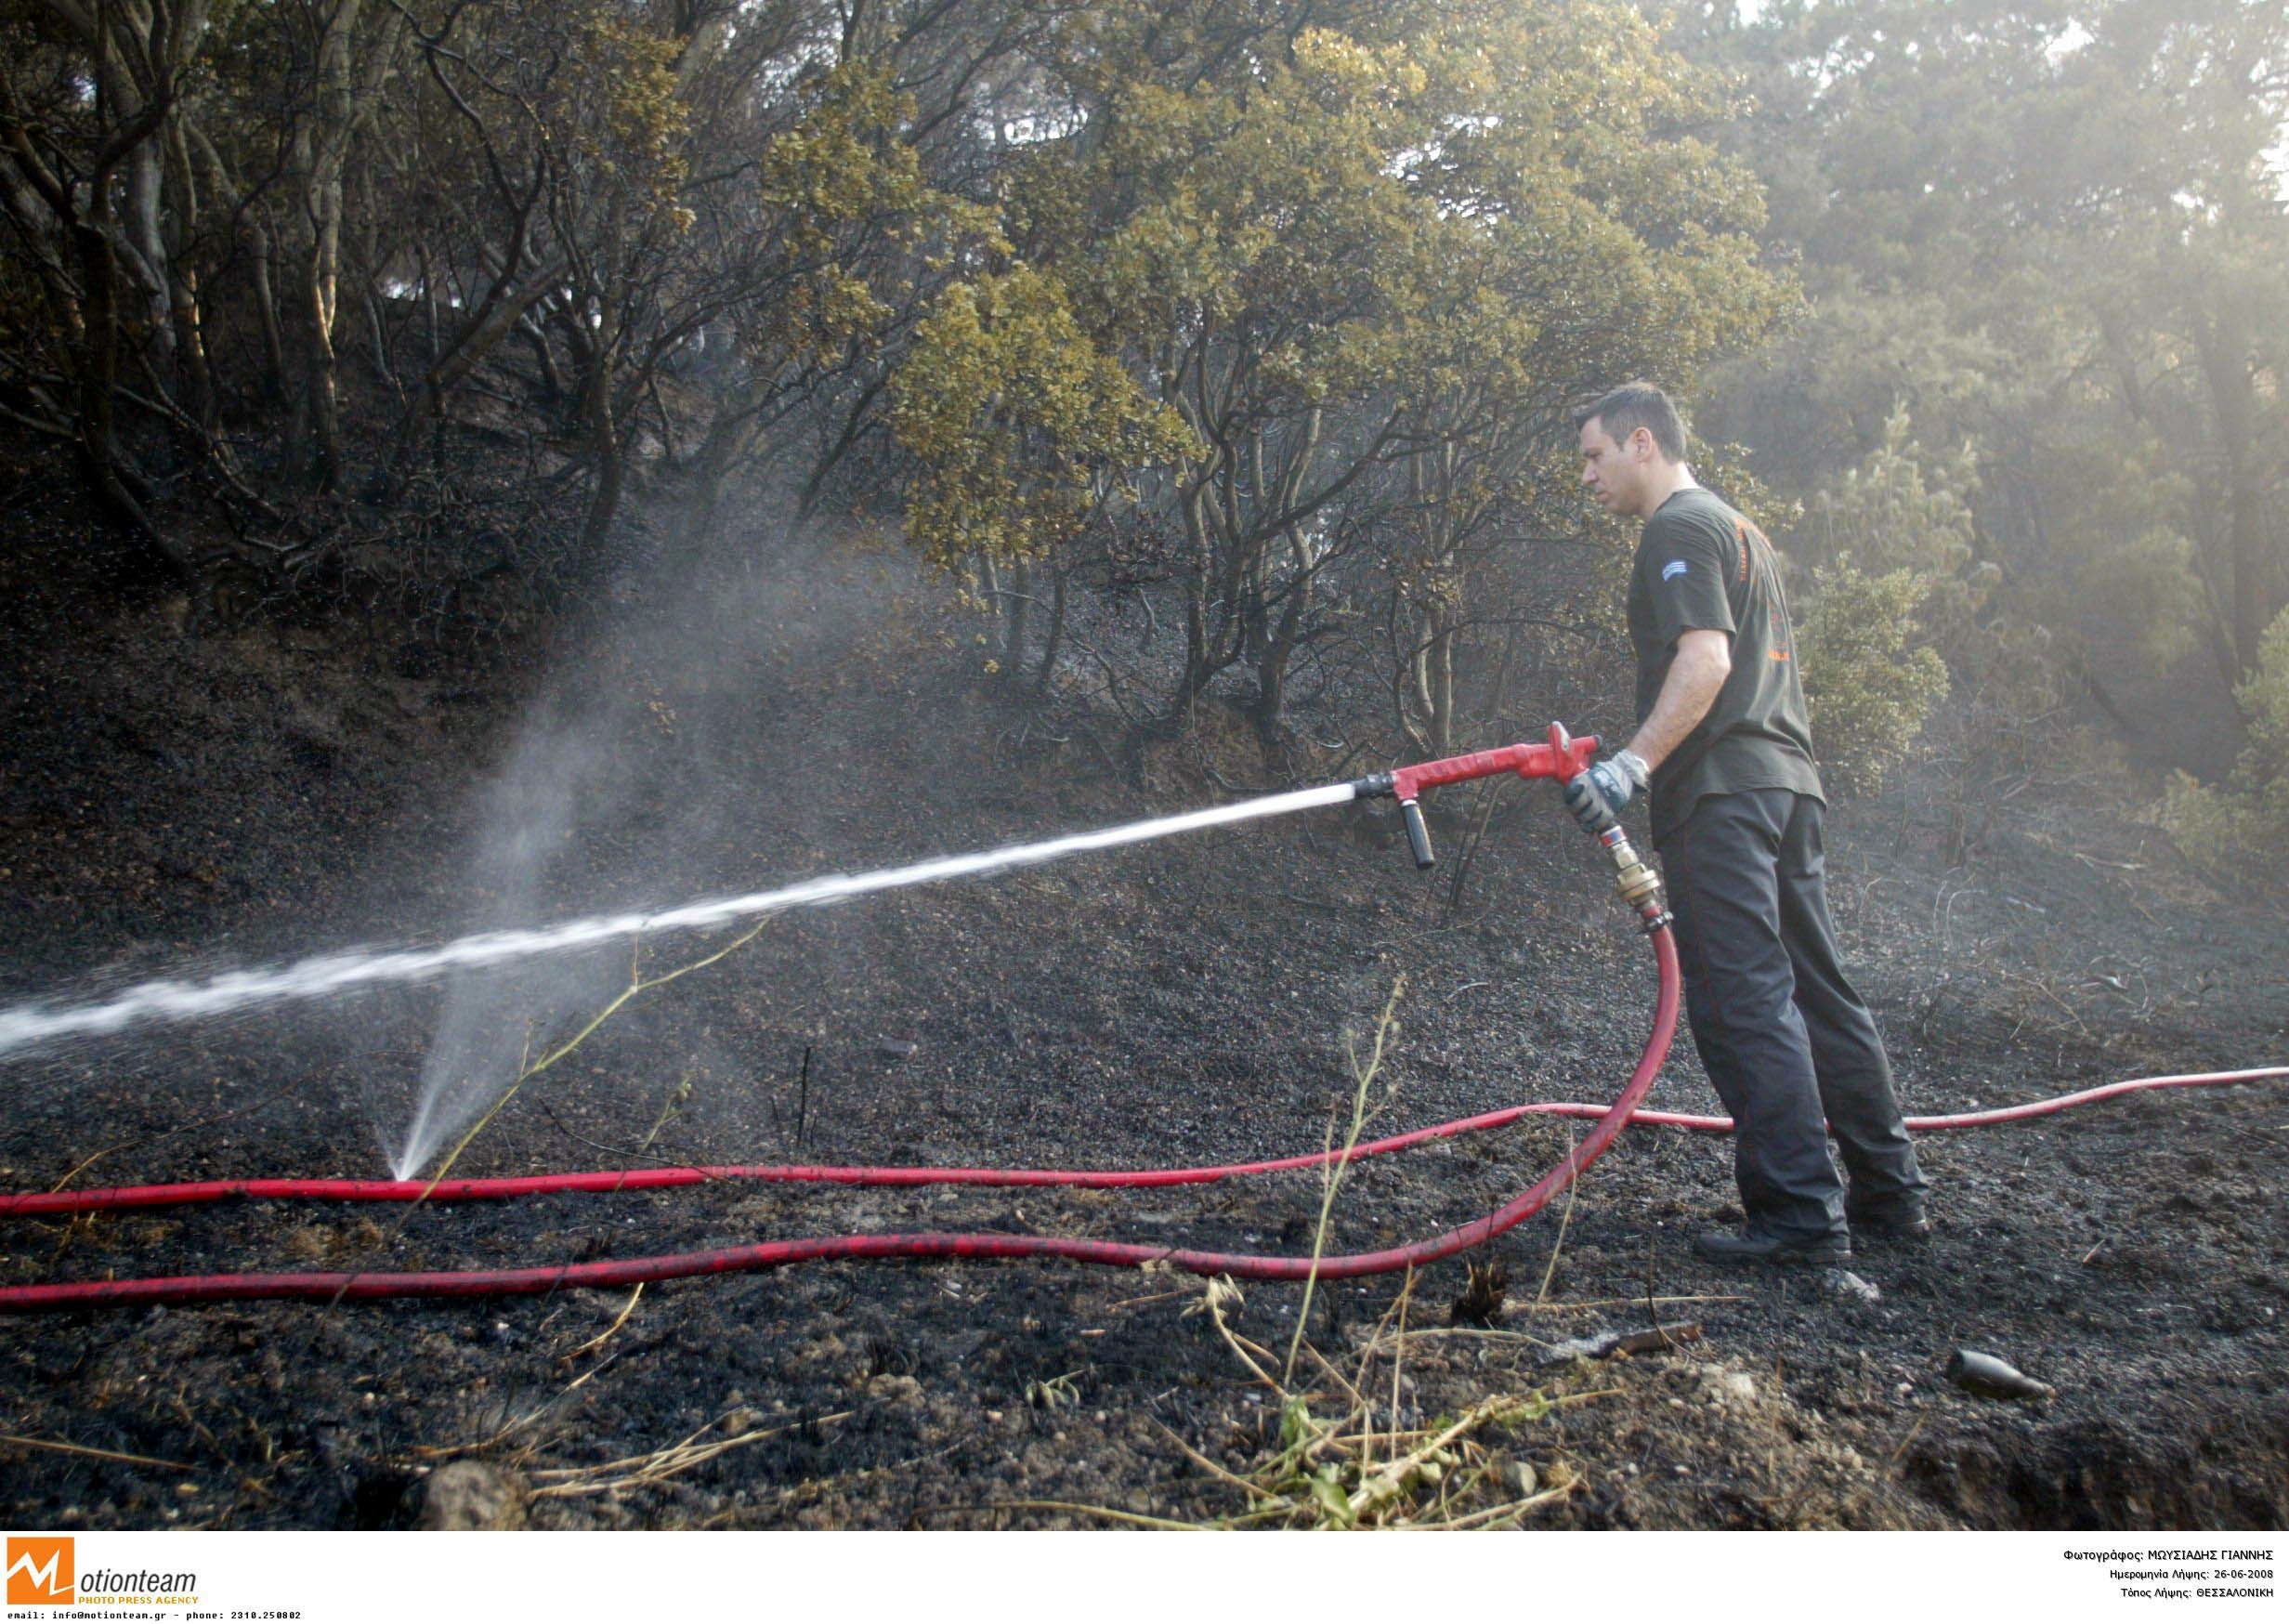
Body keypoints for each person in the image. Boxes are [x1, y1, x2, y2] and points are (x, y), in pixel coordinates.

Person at [1563, 381, 1929, 1266]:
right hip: (1788, 786)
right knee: (1819, 992)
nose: (1588, 476)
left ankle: (1801, 1217)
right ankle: (1889, 1198)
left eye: (1595, 456)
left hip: (1723, 795)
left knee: (1745, 1001)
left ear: (1641, 441)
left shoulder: (1678, 529)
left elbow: (1707, 658)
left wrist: (1630, 765)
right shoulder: (1740, 528)